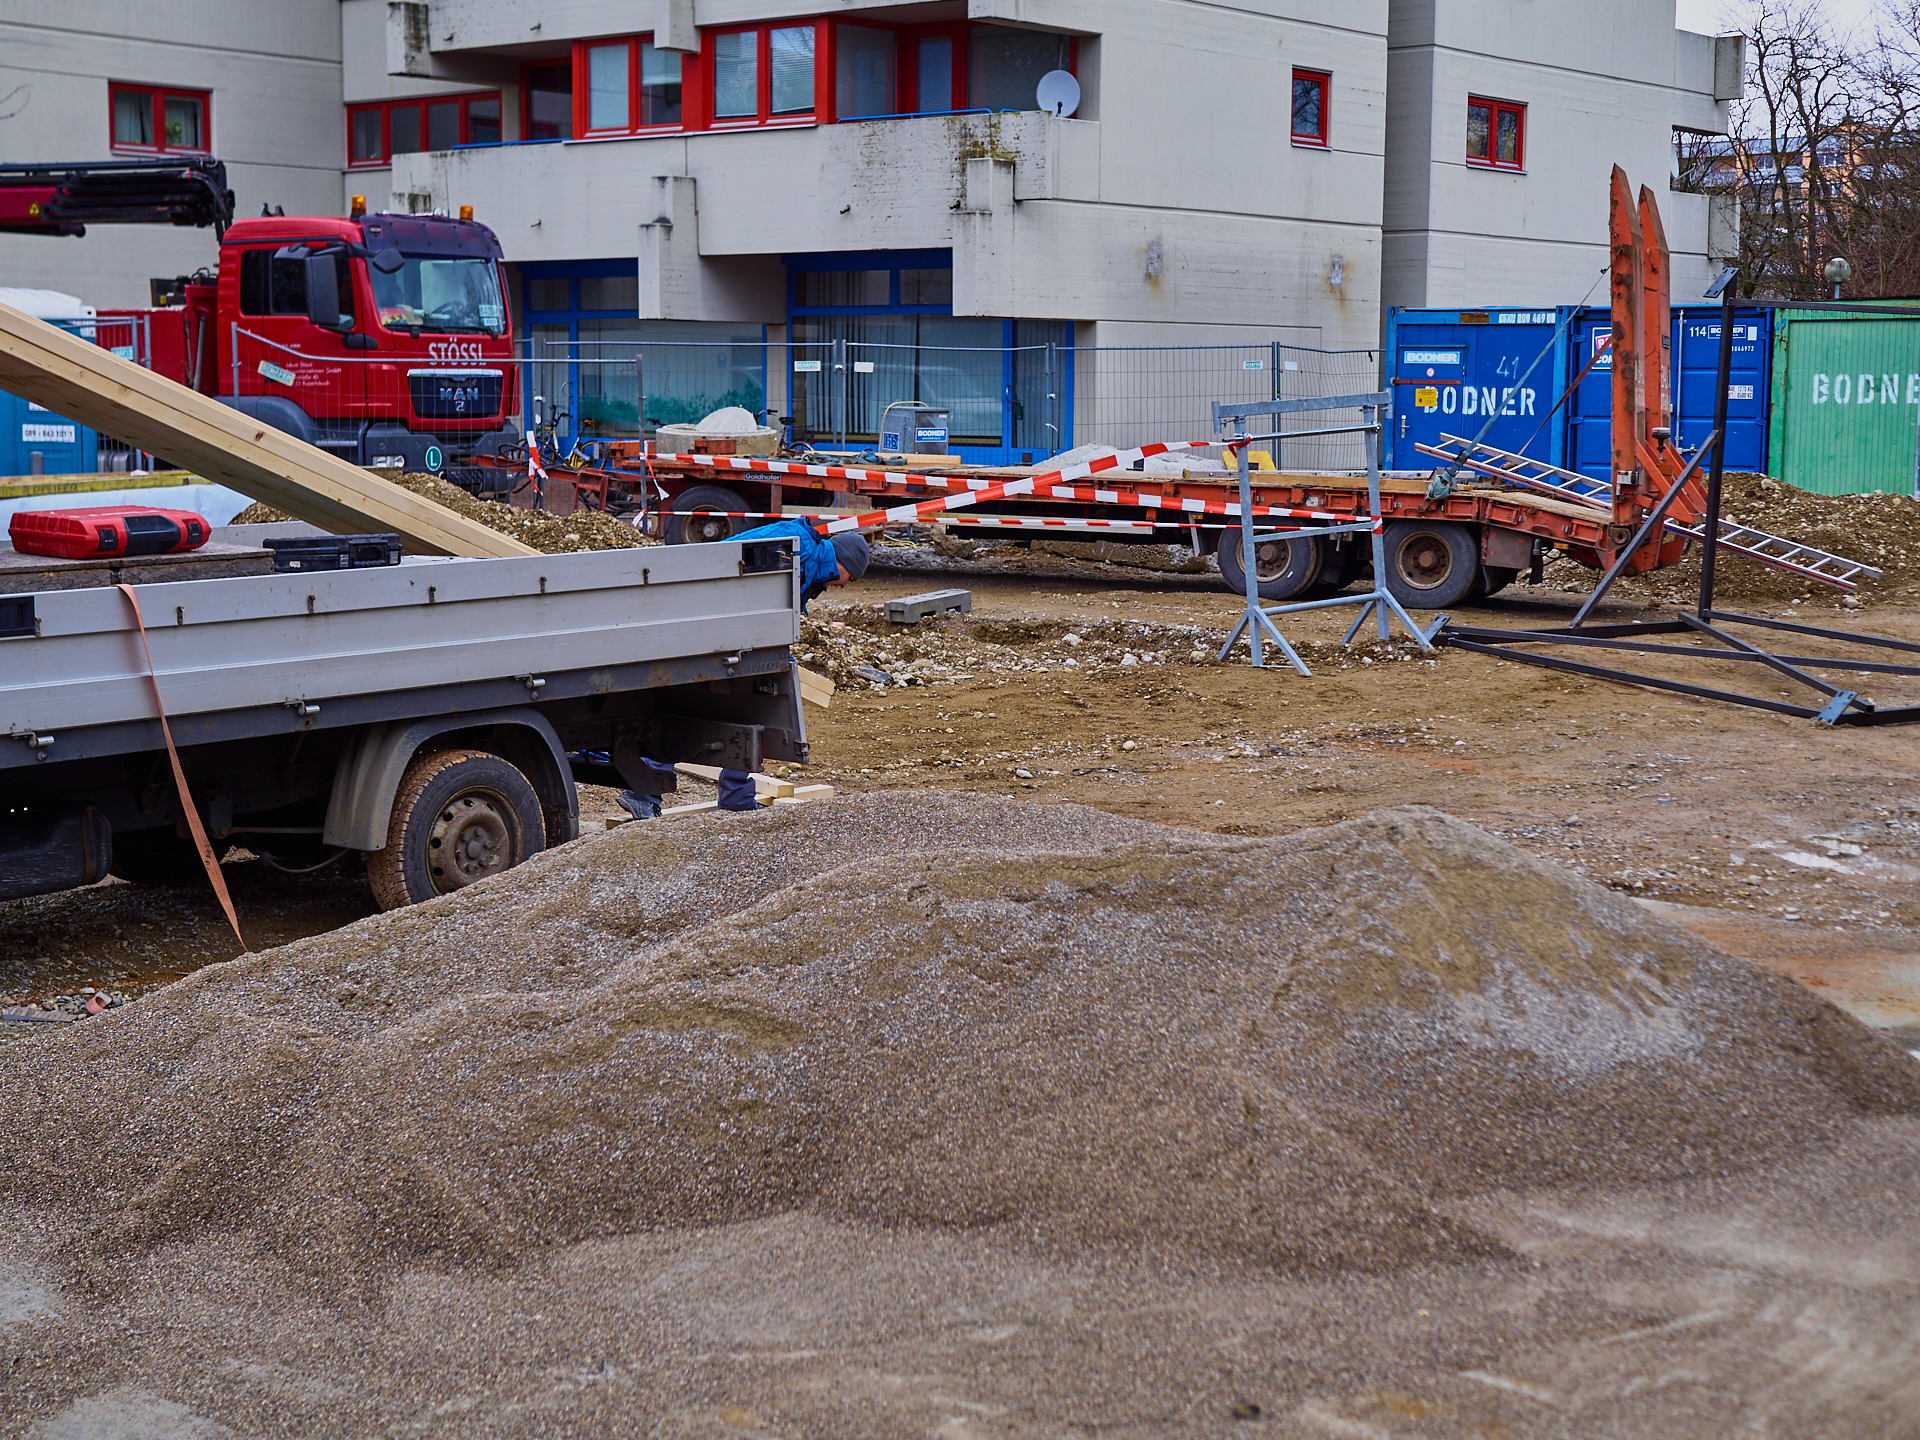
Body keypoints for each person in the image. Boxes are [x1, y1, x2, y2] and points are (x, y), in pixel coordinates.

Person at [728, 518, 870, 610]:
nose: (844, 586)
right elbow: (734, 549)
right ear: (843, 561)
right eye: (850, 578)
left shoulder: (812, 569)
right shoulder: (801, 543)